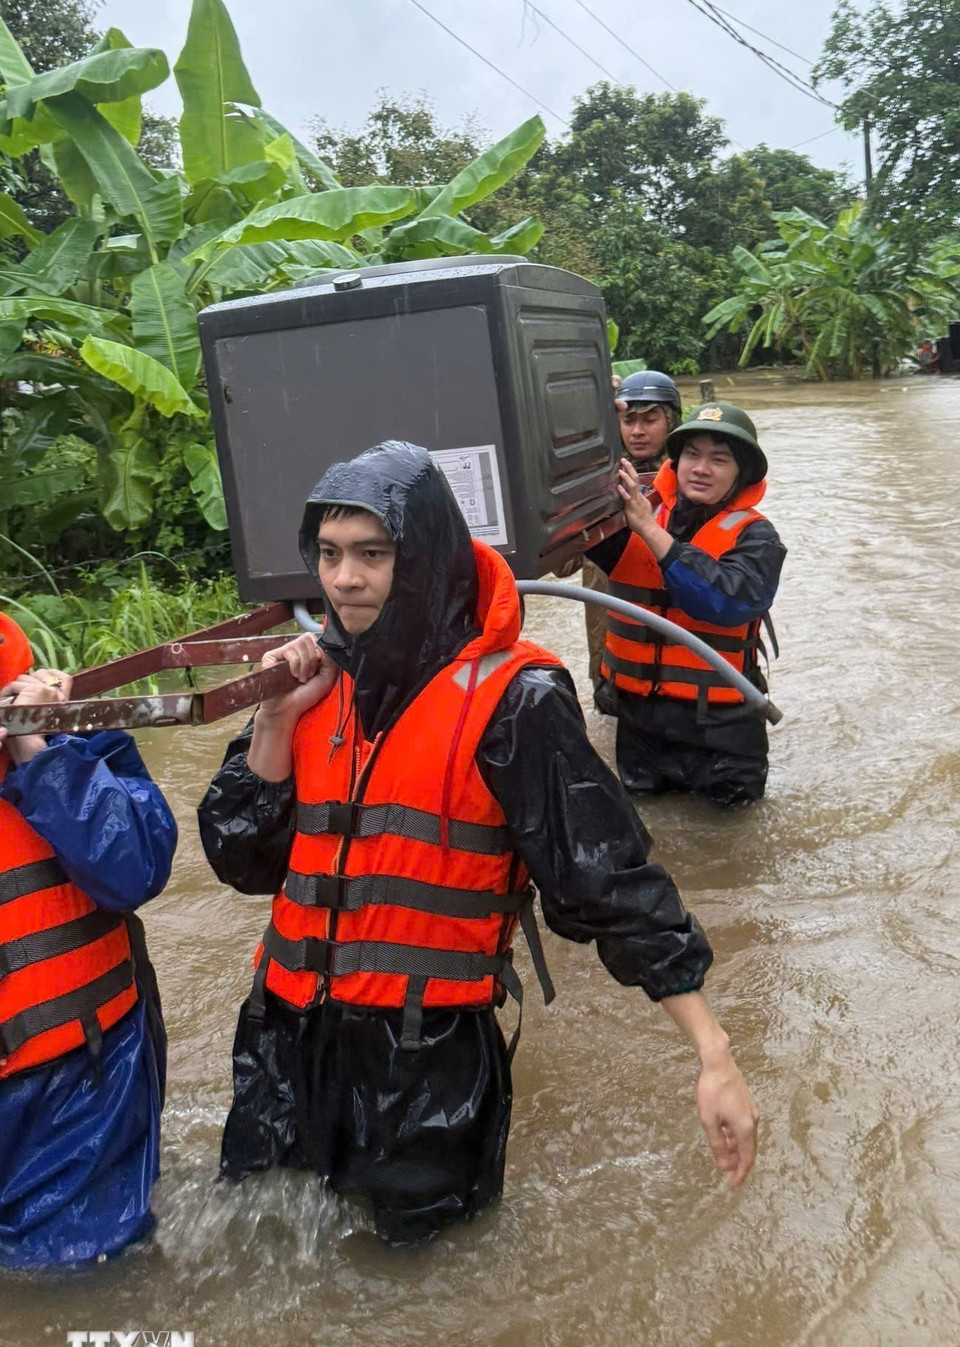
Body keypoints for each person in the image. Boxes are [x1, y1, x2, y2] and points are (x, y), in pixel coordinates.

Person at [198, 440, 758, 1246]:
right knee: (260, 1244)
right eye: (327, 554)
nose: (344, 579)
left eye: (372, 555)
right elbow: (238, 859)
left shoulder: (516, 701)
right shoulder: (310, 681)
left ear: (422, 559)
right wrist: (277, 718)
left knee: (421, 1280)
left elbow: (607, 882)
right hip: (284, 1039)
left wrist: (714, 1054)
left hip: (423, 1064)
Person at [0, 613, 176, 1268]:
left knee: (88, 1283)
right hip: (53, 1070)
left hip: (79, 1081)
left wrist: (36, 746)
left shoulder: (70, 727)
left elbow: (135, 866)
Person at [590, 402, 786, 808]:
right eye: (692, 455)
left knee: (733, 851)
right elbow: (563, 516)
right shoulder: (628, 514)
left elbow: (723, 601)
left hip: (723, 734)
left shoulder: (758, 538)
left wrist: (648, 529)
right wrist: (593, 422)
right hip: (642, 725)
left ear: (742, 473)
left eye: (719, 459)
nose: (701, 468)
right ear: (675, 462)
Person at [585, 370, 681, 713]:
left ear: (671, 421)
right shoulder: (598, 488)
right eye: (628, 420)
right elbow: (561, 559)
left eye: (650, 419)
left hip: (679, 670)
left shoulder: (695, 483)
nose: (637, 430)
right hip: (613, 657)